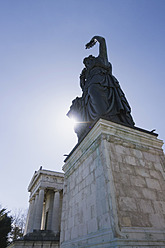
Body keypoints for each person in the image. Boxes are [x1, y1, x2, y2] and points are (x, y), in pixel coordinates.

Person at [67, 36, 135, 139]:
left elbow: (102, 41)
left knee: (96, 98)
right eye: (86, 63)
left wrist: (94, 39)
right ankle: (97, 123)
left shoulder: (101, 60)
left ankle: (107, 120)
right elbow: (83, 88)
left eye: (89, 60)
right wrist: (82, 79)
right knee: (87, 102)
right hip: (90, 87)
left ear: (93, 59)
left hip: (102, 84)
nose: (88, 63)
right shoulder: (87, 73)